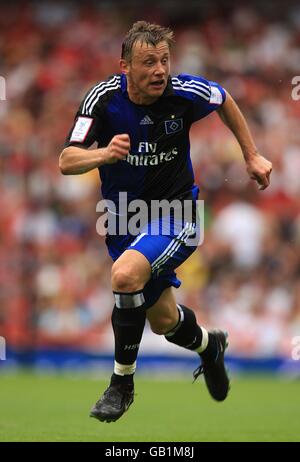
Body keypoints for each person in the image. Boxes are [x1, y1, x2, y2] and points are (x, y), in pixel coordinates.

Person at [59, 21, 272, 423]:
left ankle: (121, 384)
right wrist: (103, 155)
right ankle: (210, 346)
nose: (160, 70)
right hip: (124, 223)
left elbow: (224, 98)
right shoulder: (103, 99)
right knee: (163, 322)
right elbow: (66, 160)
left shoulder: (182, 92)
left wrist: (251, 155)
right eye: (148, 62)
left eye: (164, 60)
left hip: (178, 216)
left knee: (124, 276)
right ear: (125, 66)